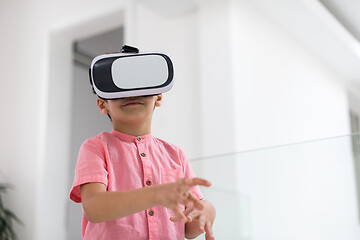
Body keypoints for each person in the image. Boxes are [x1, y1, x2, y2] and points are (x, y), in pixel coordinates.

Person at [69, 49, 216, 240]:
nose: (132, 93)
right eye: (120, 86)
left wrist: (207, 211)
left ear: (159, 97)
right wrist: (155, 194)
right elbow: (94, 208)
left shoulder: (175, 154)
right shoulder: (95, 148)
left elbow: (189, 229)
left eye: (141, 83)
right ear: (102, 104)